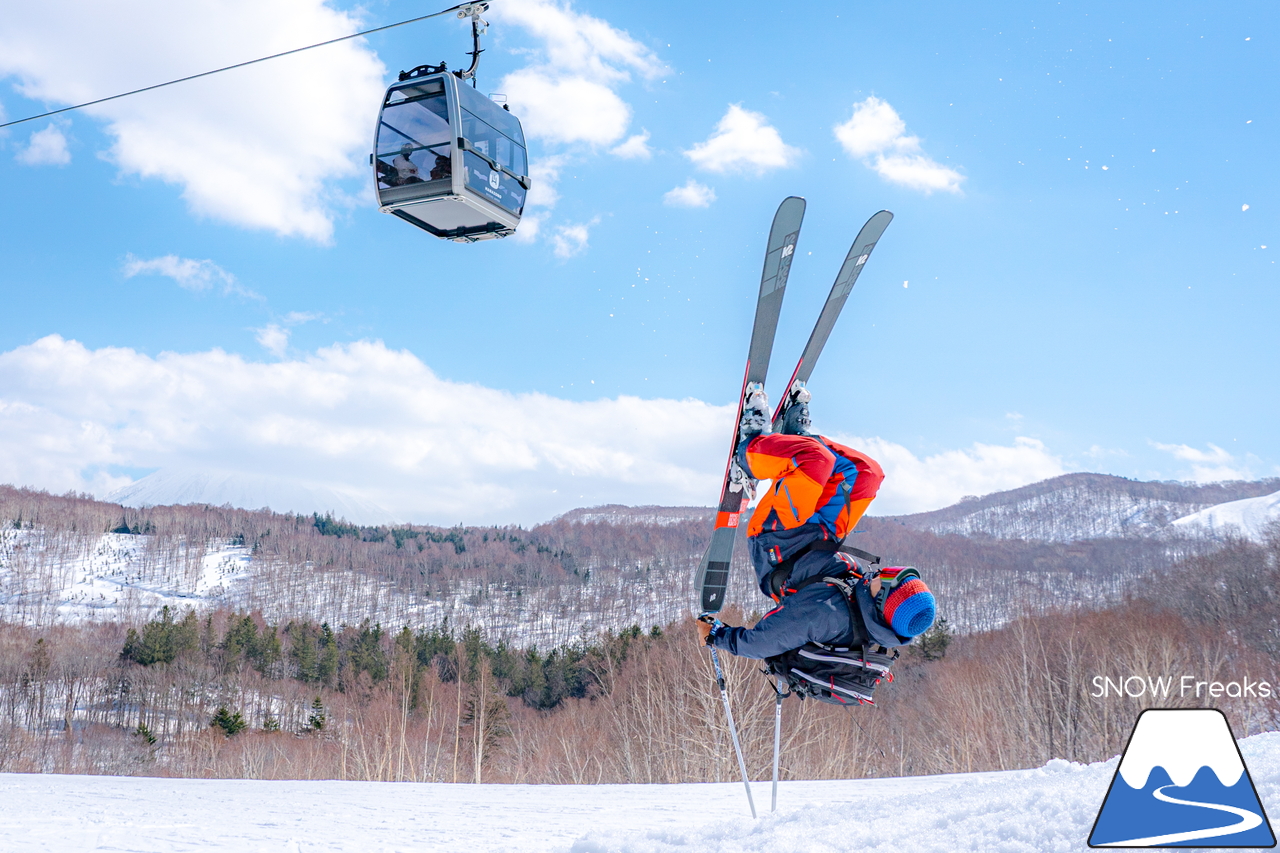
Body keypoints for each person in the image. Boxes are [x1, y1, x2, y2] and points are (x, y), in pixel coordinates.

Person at [695, 383, 935, 658]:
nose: (887, 571)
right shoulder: (869, 598)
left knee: (813, 460)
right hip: (818, 538)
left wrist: (716, 636)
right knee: (867, 474)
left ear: (883, 601)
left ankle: (749, 452)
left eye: (891, 578)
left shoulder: (823, 613)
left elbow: (761, 643)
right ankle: (797, 440)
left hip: (776, 541)